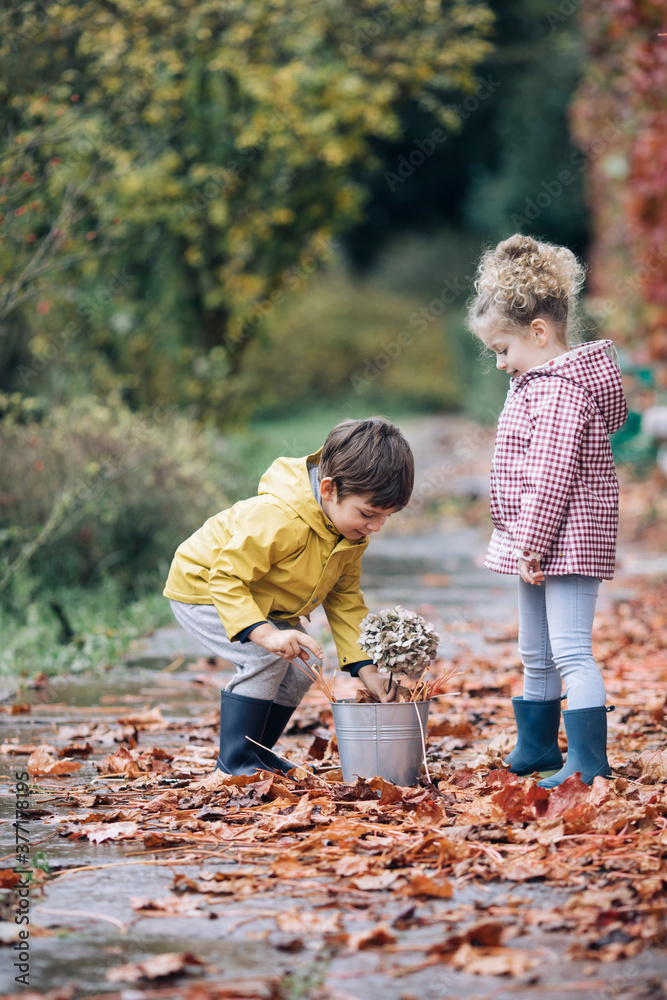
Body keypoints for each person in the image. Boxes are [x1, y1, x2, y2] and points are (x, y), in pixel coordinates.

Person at [164, 417, 415, 777]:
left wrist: (368, 671)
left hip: (259, 598)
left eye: (386, 516)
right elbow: (226, 576)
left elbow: (345, 600)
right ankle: (234, 762)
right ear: (329, 489)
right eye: (368, 513)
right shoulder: (280, 517)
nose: (376, 527)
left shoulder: (349, 534)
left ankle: (256, 752)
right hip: (205, 587)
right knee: (265, 657)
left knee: (302, 664)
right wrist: (267, 635)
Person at [467, 234, 628, 789]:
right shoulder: (536, 383)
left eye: (502, 349)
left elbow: (552, 476)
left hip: (566, 540)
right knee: (535, 652)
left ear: (539, 332)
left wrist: (530, 543)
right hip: (536, 541)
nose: (499, 363)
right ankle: (536, 747)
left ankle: (587, 761)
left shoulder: (561, 391)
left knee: (571, 652)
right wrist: (523, 542)